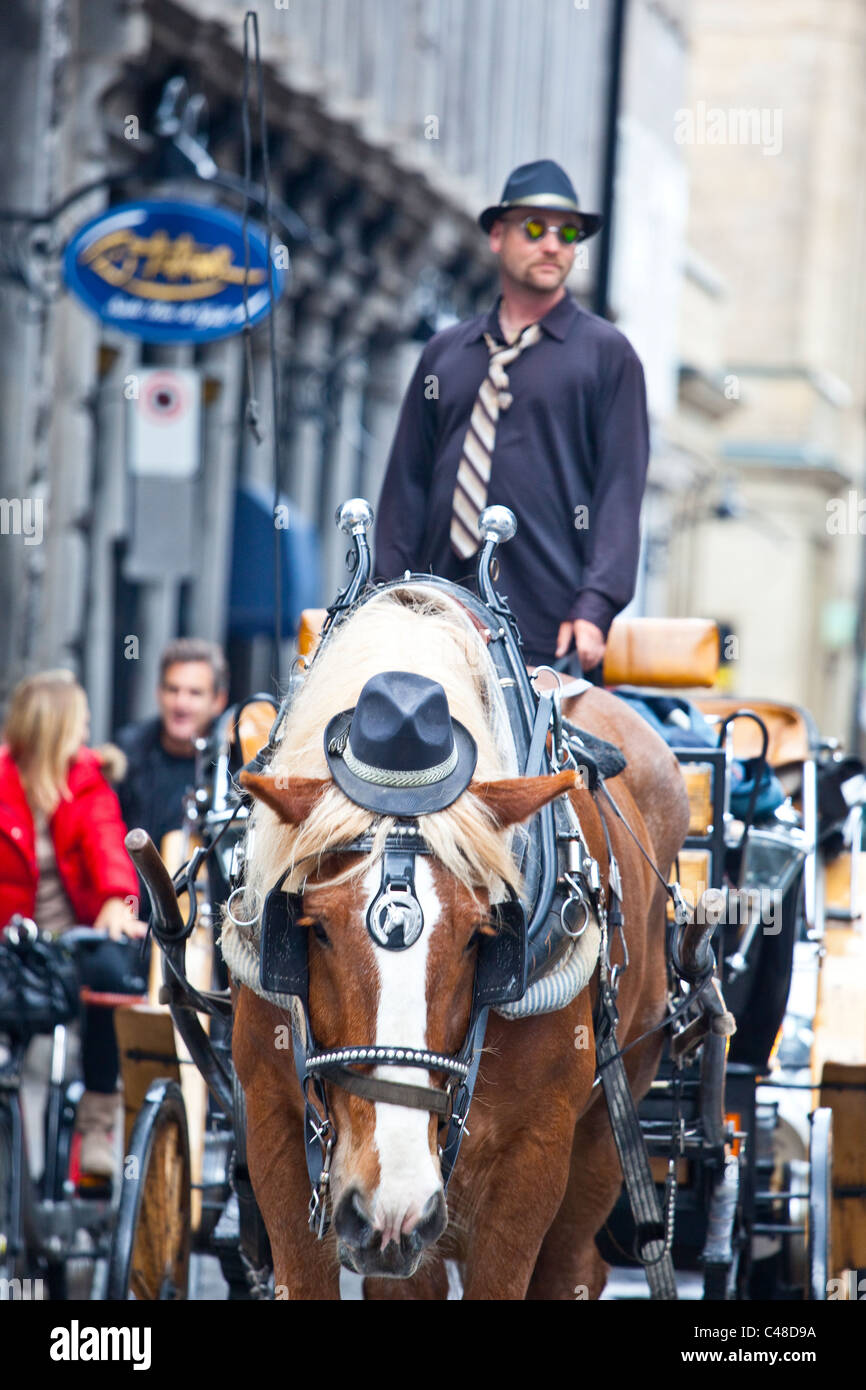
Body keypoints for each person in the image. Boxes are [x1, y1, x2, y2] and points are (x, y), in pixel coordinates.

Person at [374, 158, 650, 677]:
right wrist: (391, 596)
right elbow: (406, 485)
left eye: (567, 232)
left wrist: (594, 606)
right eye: (534, 228)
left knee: (535, 761)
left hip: (549, 631)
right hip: (434, 620)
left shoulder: (608, 356)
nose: (552, 244)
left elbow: (620, 493)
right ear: (498, 235)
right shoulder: (445, 353)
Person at [0, 670, 146, 1179]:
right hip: (10, 944)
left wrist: (114, 901)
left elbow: (108, 840)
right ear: (55, 727)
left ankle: (98, 1120)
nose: (87, 731)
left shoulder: (86, 782)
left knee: (111, 972)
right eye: (80, 721)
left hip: (70, 943)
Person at [115, 638, 229, 850]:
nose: (181, 703)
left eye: (195, 693)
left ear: (218, 701)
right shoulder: (128, 752)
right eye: (172, 689)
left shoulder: (231, 762)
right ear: (158, 692)